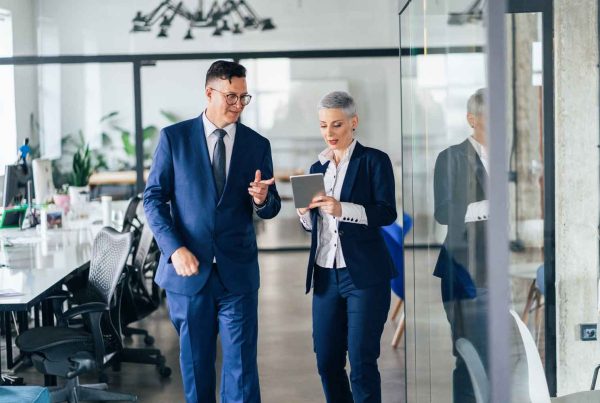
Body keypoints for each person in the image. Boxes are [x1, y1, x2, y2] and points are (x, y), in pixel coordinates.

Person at [144, 60, 281, 403]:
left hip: (238, 273)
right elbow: (153, 199)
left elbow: (272, 203)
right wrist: (175, 249)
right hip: (189, 274)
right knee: (197, 365)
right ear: (209, 92)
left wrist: (264, 200)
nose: (238, 105)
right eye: (231, 97)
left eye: (244, 98)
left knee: (242, 369)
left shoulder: (256, 144)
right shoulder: (174, 139)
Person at [297, 91, 397, 403]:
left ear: (353, 123)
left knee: (362, 364)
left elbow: (386, 212)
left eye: (337, 125)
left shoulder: (374, 161)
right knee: (326, 361)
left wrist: (343, 209)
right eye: (324, 126)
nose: (330, 133)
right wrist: (303, 214)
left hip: (364, 276)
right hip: (325, 275)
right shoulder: (317, 167)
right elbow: (316, 227)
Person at [433, 88, 489, 403]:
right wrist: (488, 206)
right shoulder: (451, 157)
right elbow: (443, 212)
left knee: (497, 356)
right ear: (472, 119)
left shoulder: (507, 157)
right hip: (463, 270)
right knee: (469, 358)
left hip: (497, 269)